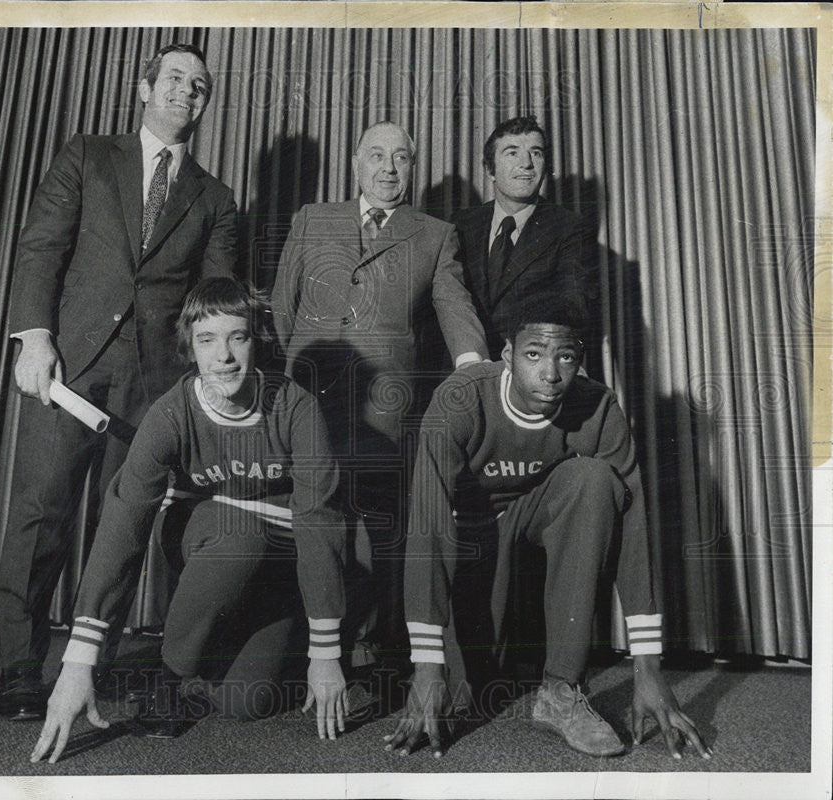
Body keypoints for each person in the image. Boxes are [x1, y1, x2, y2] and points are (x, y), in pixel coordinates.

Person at [0, 42, 238, 720]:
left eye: (199, 86)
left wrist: (200, 392)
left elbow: (214, 303)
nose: (185, 93)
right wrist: (34, 337)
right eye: (174, 80)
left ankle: (88, 663)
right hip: (69, 367)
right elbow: (42, 245)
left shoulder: (216, 199)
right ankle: (19, 668)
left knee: (120, 525)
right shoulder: (88, 156)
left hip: (154, 387)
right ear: (143, 87)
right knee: (41, 510)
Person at [30, 278, 349, 763]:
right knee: (240, 539)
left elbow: (319, 524)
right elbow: (122, 527)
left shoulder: (296, 407)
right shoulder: (172, 413)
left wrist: (326, 654)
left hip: (277, 557)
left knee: (248, 703)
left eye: (236, 337)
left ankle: (207, 652)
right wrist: (78, 661)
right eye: (207, 340)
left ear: (255, 341)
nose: (223, 355)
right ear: (190, 349)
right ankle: (170, 675)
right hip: (211, 539)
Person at [385, 292, 711, 761]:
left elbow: (634, 527)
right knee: (463, 697)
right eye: (534, 354)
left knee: (596, 480)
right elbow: (429, 525)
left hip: (536, 519)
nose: (551, 373)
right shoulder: (460, 398)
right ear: (507, 356)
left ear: (580, 361)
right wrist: (428, 665)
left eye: (566, 357)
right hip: (469, 536)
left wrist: (649, 669)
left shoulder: (598, 406)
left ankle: (561, 690)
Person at [271, 121, 487, 665]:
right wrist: (294, 370)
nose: (389, 168)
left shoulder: (435, 234)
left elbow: (454, 308)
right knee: (307, 511)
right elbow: (282, 305)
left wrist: (473, 368)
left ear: (414, 168)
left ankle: (362, 648)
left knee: (373, 526)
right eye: (376, 155)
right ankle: (302, 643)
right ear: (355, 162)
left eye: (401, 158)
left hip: (384, 407)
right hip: (308, 396)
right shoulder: (312, 219)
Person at [453, 116, 588, 360]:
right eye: (512, 153)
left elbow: (573, 306)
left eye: (535, 153)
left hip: (529, 368)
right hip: (463, 368)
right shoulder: (461, 224)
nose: (526, 163)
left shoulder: (567, 227)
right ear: (489, 169)